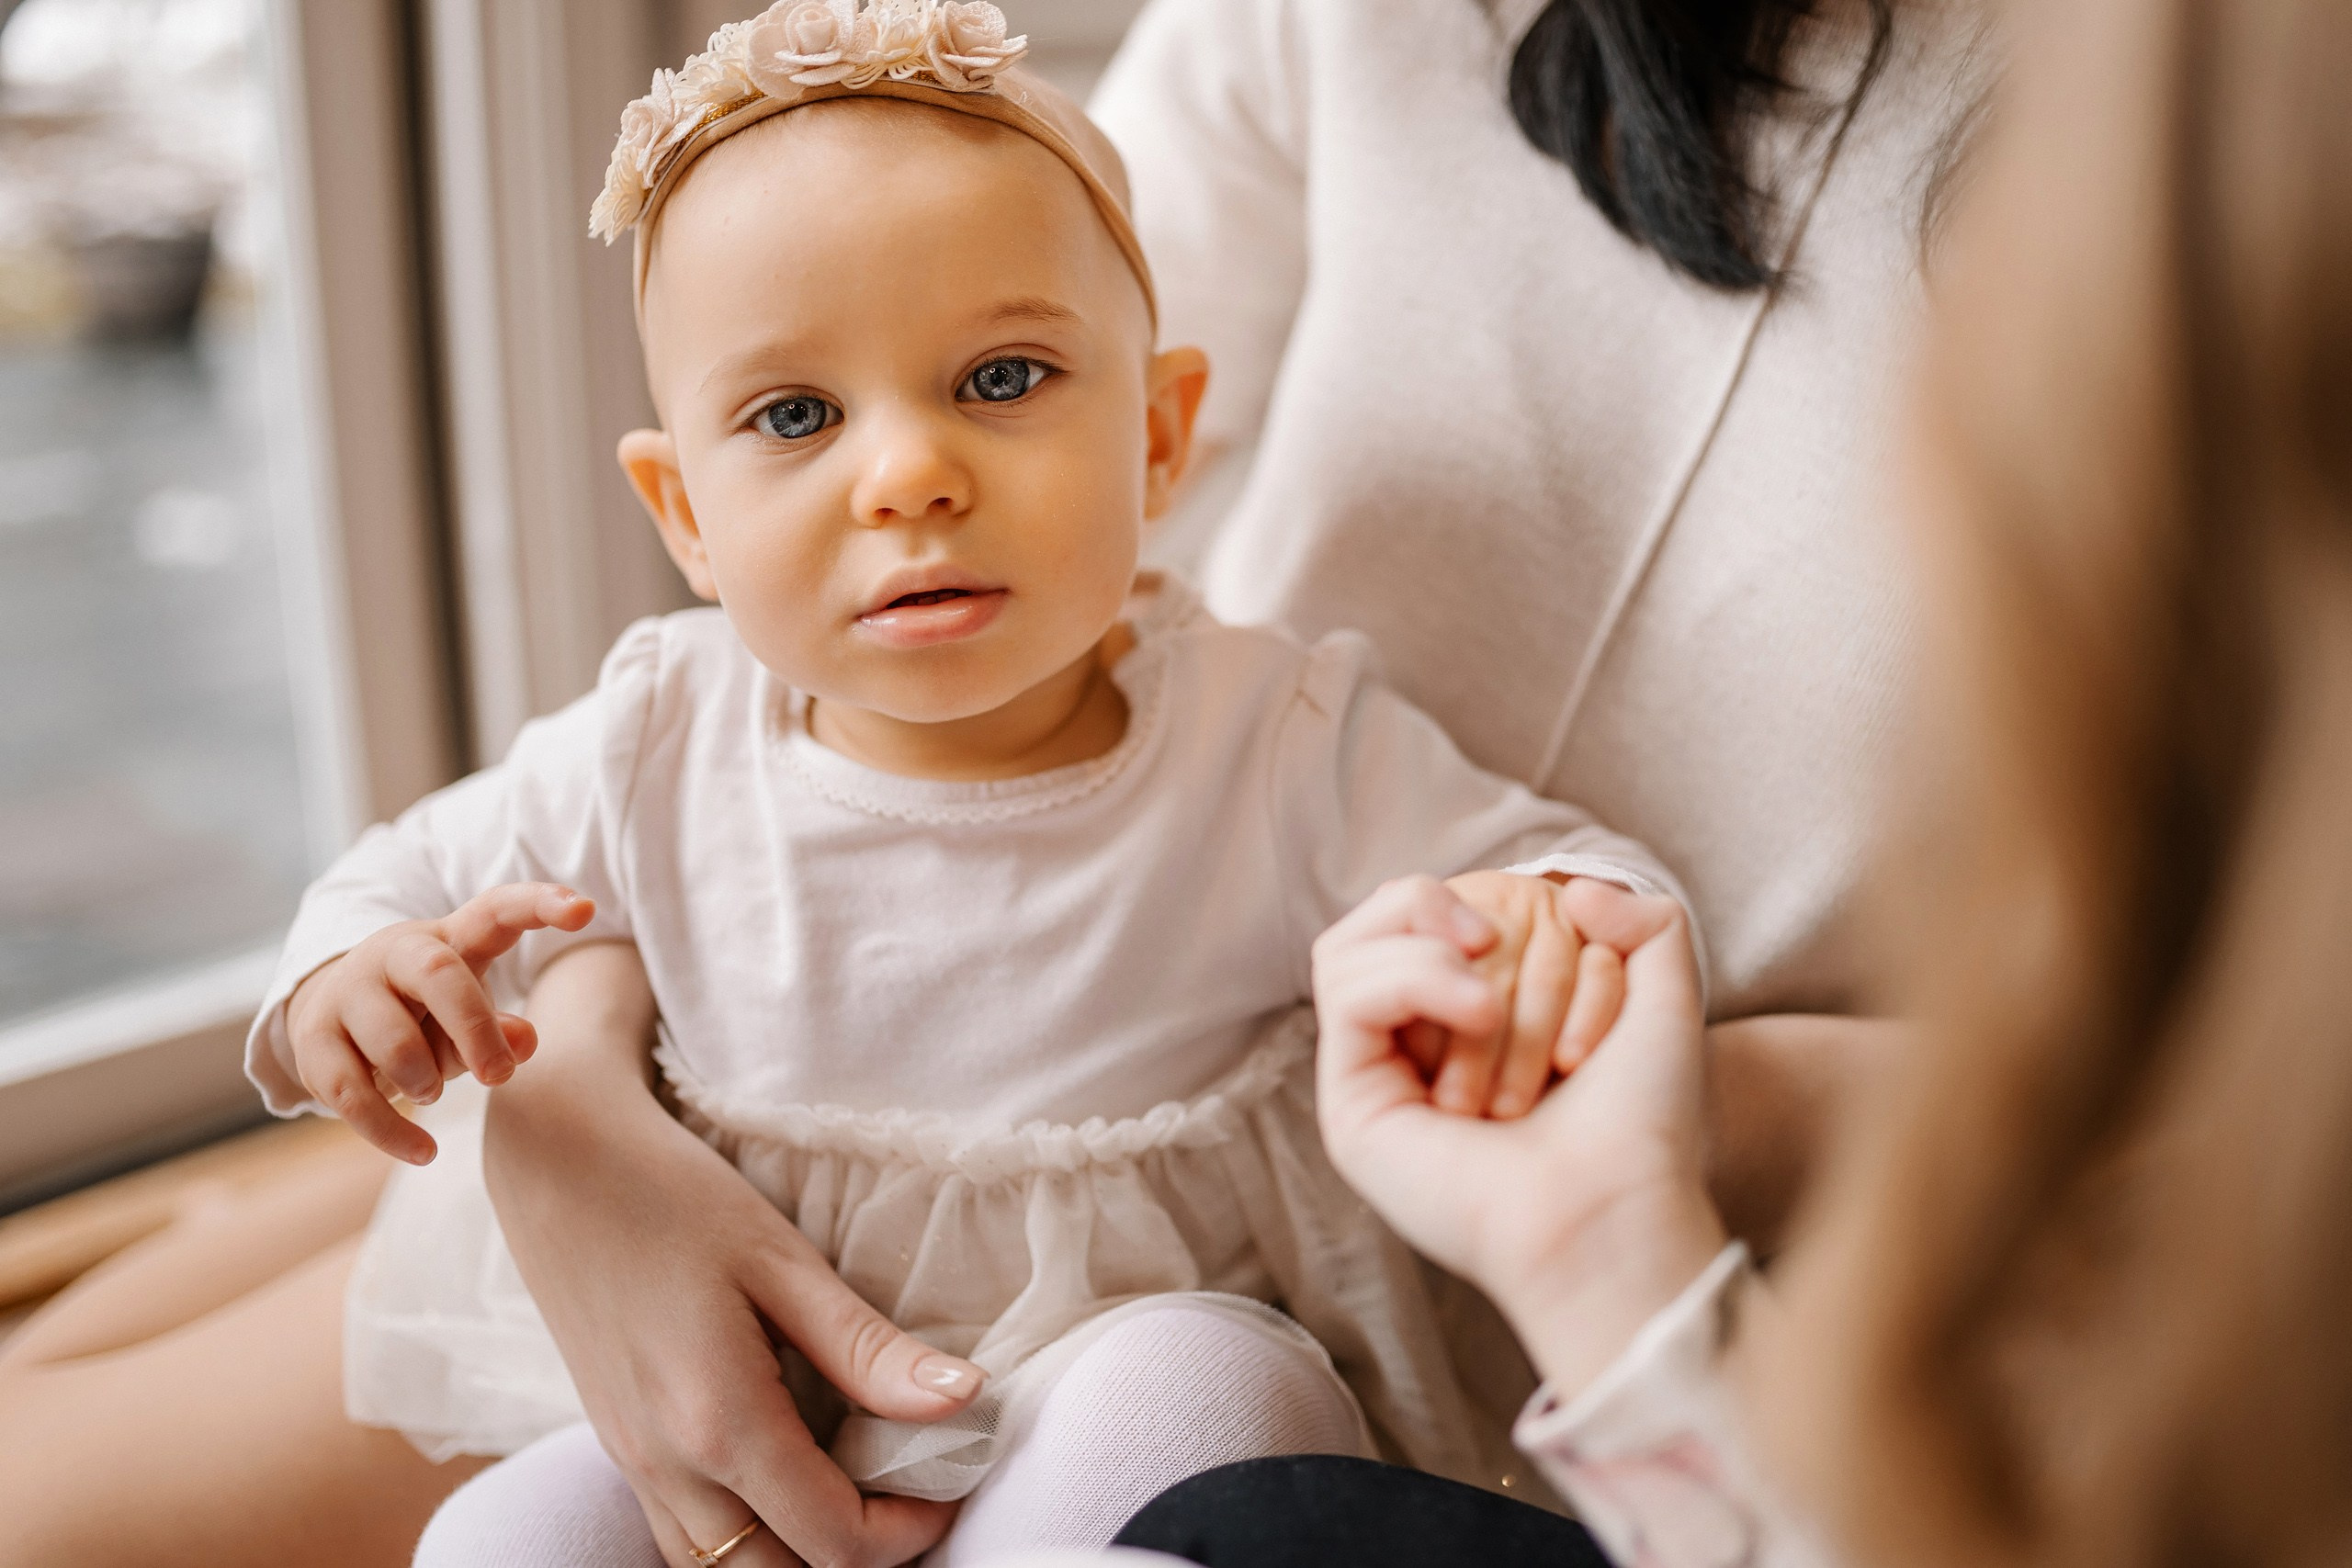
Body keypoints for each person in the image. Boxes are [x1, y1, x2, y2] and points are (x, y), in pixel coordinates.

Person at [0, 0, 1985, 1562]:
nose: (908, 470)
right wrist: (383, 991)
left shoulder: (1278, 731)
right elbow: (398, 875)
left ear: (1159, 437)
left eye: (1004, 383)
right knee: (455, 1501)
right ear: (681, 511)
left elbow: (1549, 862)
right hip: (712, 1209)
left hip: (1142, 1311)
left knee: (1190, 1397)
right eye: (794, 415)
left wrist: (1560, 925)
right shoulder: (654, 728)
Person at [984, 0, 2352, 1560]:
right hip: (1175, 1234)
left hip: (1791, 1388)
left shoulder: (2226, 106)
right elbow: (886, 453)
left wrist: (1704, 1127)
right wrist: (632, 1041)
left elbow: (2261, 1111)